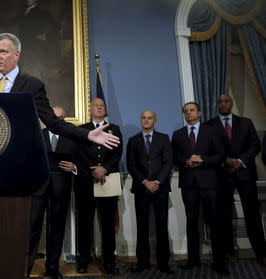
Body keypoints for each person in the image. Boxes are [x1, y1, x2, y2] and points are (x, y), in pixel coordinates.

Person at [205, 94, 266, 265]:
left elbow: (255, 145)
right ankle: (227, 251)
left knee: (252, 213)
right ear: (216, 104)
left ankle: (261, 253)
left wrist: (240, 161)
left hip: (245, 173)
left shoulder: (246, 122)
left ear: (231, 103)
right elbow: (207, 149)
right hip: (221, 174)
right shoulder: (208, 125)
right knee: (222, 215)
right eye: (220, 101)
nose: (223, 103)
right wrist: (225, 160)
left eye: (227, 101)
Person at [171, 102, 228, 275]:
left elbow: (220, 154)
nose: (188, 113)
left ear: (200, 113)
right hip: (189, 184)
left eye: (192, 110)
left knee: (215, 223)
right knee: (191, 222)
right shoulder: (178, 134)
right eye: (186, 111)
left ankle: (219, 262)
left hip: (209, 183)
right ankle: (193, 260)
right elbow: (174, 158)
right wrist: (186, 161)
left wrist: (202, 159)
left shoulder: (212, 131)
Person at [27, 106, 77, 279]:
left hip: (61, 188)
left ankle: (52, 269)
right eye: (55, 118)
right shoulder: (36, 134)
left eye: (61, 118)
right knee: (32, 227)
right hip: (38, 188)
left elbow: (84, 158)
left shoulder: (73, 135)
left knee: (57, 228)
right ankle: (25, 268)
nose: (58, 121)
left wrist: (75, 167)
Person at [74, 98, 123, 275]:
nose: (99, 108)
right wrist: (92, 169)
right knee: (85, 224)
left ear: (105, 110)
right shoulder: (82, 129)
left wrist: (105, 168)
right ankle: (83, 261)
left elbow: (117, 153)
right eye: (96, 105)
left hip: (107, 180)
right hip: (85, 182)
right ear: (90, 109)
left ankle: (109, 261)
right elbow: (78, 153)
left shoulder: (114, 129)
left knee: (108, 224)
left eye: (102, 106)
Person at [126, 110, 173, 274]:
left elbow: (168, 163)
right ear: (141, 120)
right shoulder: (133, 140)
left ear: (155, 120)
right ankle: (142, 262)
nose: (146, 120)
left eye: (149, 118)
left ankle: (163, 263)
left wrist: (157, 181)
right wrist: (145, 182)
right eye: (144, 118)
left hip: (160, 188)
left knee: (161, 226)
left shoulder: (164, 138)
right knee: (142, 226)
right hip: (141, 188)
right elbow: (131, 165)